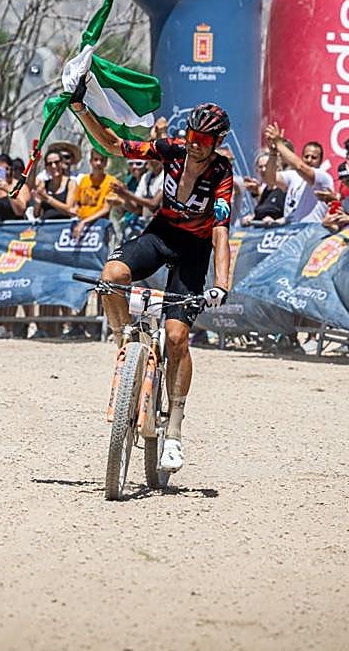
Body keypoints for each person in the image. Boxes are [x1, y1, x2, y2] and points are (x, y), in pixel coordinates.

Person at [72, 94, 235, 475]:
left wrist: (221, 284)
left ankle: (174, 429)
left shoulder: (221, 172)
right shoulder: (171, 149)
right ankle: (123, 344)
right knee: (112, 277)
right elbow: (115, 145)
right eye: (192, 135)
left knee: (177, 337)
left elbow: (221, 233)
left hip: (195, 249)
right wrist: (81, 108)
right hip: (161, 234)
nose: (195, 145)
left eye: (204, 140)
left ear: (218, 143)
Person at [260, 124, 334, 224]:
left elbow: (300, 166)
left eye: (314, 157)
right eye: (306, 156)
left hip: (313, 229)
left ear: (320, 160)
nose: (309, 160)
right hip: (292, 229)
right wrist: (273, 153)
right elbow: (270, 179)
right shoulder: (293, 176)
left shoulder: (323, 177)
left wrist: (278, 143)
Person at [68, 148, 120, 240]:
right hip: (81, 226)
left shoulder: (111, 181)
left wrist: (84, 222)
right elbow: (77, 203)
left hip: (100, 226)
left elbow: (106, 209)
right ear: (91, 162)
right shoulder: (84, 180)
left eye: (102, 160)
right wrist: (75, 213)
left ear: (106, 163)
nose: (98, 163)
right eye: (96, 160)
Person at [32, 150, 75, 220]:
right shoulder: (43, 184)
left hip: (64, 224)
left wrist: (47, 198)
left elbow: (69, 209)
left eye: (56, 162)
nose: (53, 166)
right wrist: (38, 203)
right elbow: (36, 214)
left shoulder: (71, 184)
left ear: (62, 163)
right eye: (49, 164)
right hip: (46, 224)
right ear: (46, 167)